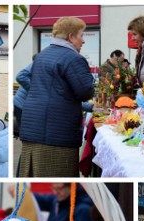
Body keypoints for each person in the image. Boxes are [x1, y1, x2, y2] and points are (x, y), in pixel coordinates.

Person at [18, 17, 95, 177]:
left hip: (34, 129)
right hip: (56, 135)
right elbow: (85, 92)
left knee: (33, 179)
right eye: (82, 35)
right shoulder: (73, 58)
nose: (83, 41)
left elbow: (53, 92)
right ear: (71, 36)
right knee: (57, 180)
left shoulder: (42, 55)